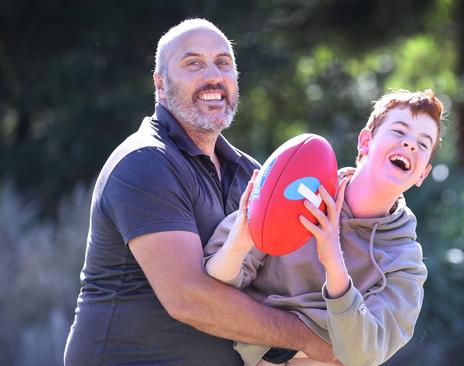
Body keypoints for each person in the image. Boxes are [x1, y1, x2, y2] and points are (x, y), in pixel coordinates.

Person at [64, 18, 336, 365]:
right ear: (160, 85)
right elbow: (188, 297)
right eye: (194, 63)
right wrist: (306, 339)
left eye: (224, 63)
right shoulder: (145, 162)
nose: (214, 76)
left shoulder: (251, 174)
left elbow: (271, 291)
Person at [204, 89, 444, 365]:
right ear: (365, 142)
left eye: (422, 144)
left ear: (422, 174)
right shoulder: (302, 187)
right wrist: (240, 243)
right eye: (399, 132)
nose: (410, 145)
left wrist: (333, 263)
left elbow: (364, 353)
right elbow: (212, 286)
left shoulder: (405, 261)